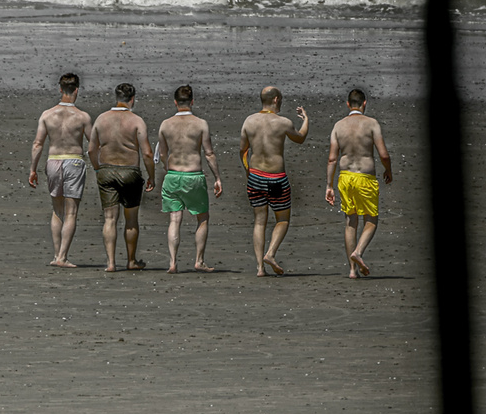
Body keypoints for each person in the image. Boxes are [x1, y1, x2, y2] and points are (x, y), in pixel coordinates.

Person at [237, 86, 308, 276]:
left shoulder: (249, 121)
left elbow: (243, 150)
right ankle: (270, 253)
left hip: (255, 177)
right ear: (276, 100)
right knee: (283, 219)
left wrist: (248, 173)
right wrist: (306, 120)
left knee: (259, 221)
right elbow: (300, 138)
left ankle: (260, 268)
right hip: (276, 178)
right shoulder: (283, 122)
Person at [324, 88, 392, 278]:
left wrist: (329, 185)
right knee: (371, 220)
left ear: (348, 104)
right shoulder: (372, 124)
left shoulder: (338, 126)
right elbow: (383, 154)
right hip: (365, 177)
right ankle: (358, 252)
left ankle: (352, 271)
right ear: (364, 103)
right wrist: (388, 170)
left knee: (350, 221)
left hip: (345, 177)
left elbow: (332, 159)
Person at [27, 72, 93, 268]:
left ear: (60, 89)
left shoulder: (47, 115)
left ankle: (57, 255)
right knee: (71, 213)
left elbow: (38, 143)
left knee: (57, 211)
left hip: (53, 161)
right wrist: (96, 163)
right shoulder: (82, 116)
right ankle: (63, 257)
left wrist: (33, 169)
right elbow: (93, 144)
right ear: (77, 90)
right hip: (73, 161)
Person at [154, 84, 222, 273]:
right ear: (192, 102)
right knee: (202, 218)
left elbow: (163, 153)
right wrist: (217, 177)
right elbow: (209, 153)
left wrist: (169, 170)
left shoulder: (165, 124)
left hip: (173, 175)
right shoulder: (201, 124)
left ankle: (173, 262)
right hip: (194, 175)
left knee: (174, 220)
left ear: (175, 102)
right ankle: (199, 260)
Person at [89, 82, 156, 272]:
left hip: (106, 170)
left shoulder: (101, 120)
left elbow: (91, 149)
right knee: (131, 219)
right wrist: (151, 176)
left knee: (109, 218)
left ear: (116, 98)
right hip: (129, 171)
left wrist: (97, 168)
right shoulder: (136, 121)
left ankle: (110, 263)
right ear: (132, 99)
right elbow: (147, 153)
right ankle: (131, 260)